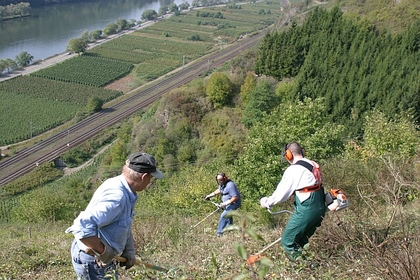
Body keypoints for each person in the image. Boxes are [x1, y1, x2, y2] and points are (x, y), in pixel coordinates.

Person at [65, 152, 163, 280]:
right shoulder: (117, 197)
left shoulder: (125, 189)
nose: (149, 182)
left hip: (103, 258)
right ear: (144, 177)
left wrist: (129, 251)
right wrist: (103, 251)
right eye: (150, 178)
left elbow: (122, 224)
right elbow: (81, 226)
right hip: (93, 260)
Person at [260, 142, 325, 260]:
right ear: (302, 151)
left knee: (288, 242)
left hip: (307, 208)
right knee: (300, 240)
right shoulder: (313, 164)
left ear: (289, 155)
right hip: (320, 206)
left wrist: (267, 202)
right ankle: (309, 266)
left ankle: (306, 269)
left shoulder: (294, 169)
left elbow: (281, 194)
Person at [204, 172, 241, 237]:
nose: (219, 182)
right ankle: (230, 230)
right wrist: (209, 196)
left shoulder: (230, 185)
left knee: (224, 216)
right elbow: (219, 190)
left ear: (225, 178)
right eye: (218, 180)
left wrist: (225, 203)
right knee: (229, 216)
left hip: (234, 203)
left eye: (220, 180)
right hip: (227, 204)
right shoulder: (222, 184)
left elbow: (235, 197)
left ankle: (219, 233)